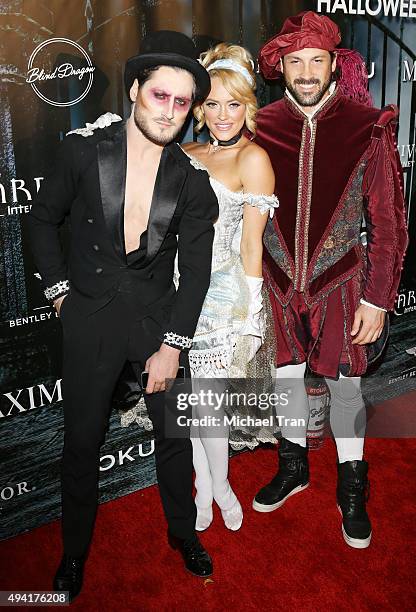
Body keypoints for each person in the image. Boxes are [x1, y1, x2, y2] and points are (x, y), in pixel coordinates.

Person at [28, 30, 219, 601]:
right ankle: (74, 553)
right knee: (82, 443)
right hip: (88, 317)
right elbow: (41, 221)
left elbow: (198, 274)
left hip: (158, 323)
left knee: (173, 438)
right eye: (160, 95)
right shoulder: (83, 151)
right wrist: (60, 293)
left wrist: (173, 345)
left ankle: (183, 534)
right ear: (135, 89)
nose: (170, 111)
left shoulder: (192, 182)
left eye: (182, 102)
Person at [252, 11, 408, 549]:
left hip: (342, 281)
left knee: (346, 388)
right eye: (294, 62)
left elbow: (389, 223)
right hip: (275, 280)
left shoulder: (369, 126)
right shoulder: (260, 123)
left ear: (333, 65)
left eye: (316, 60)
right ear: (281, 68)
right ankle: (293, 466)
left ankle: (351, 486)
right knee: (287, 380)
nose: (306, 71)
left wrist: (379, 299)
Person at [182, 43, 278, 532]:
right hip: (177, 296)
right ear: (200, 107)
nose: (222, 115)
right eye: (213, 103)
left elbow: (252, 246)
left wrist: (252, 315)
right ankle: (208, 488)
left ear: (249, 107)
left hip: (222, 301)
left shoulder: (253, 158)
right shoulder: (183, 152)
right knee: (195, 405)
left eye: (233, 103)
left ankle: (215, 489)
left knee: (208, 404)